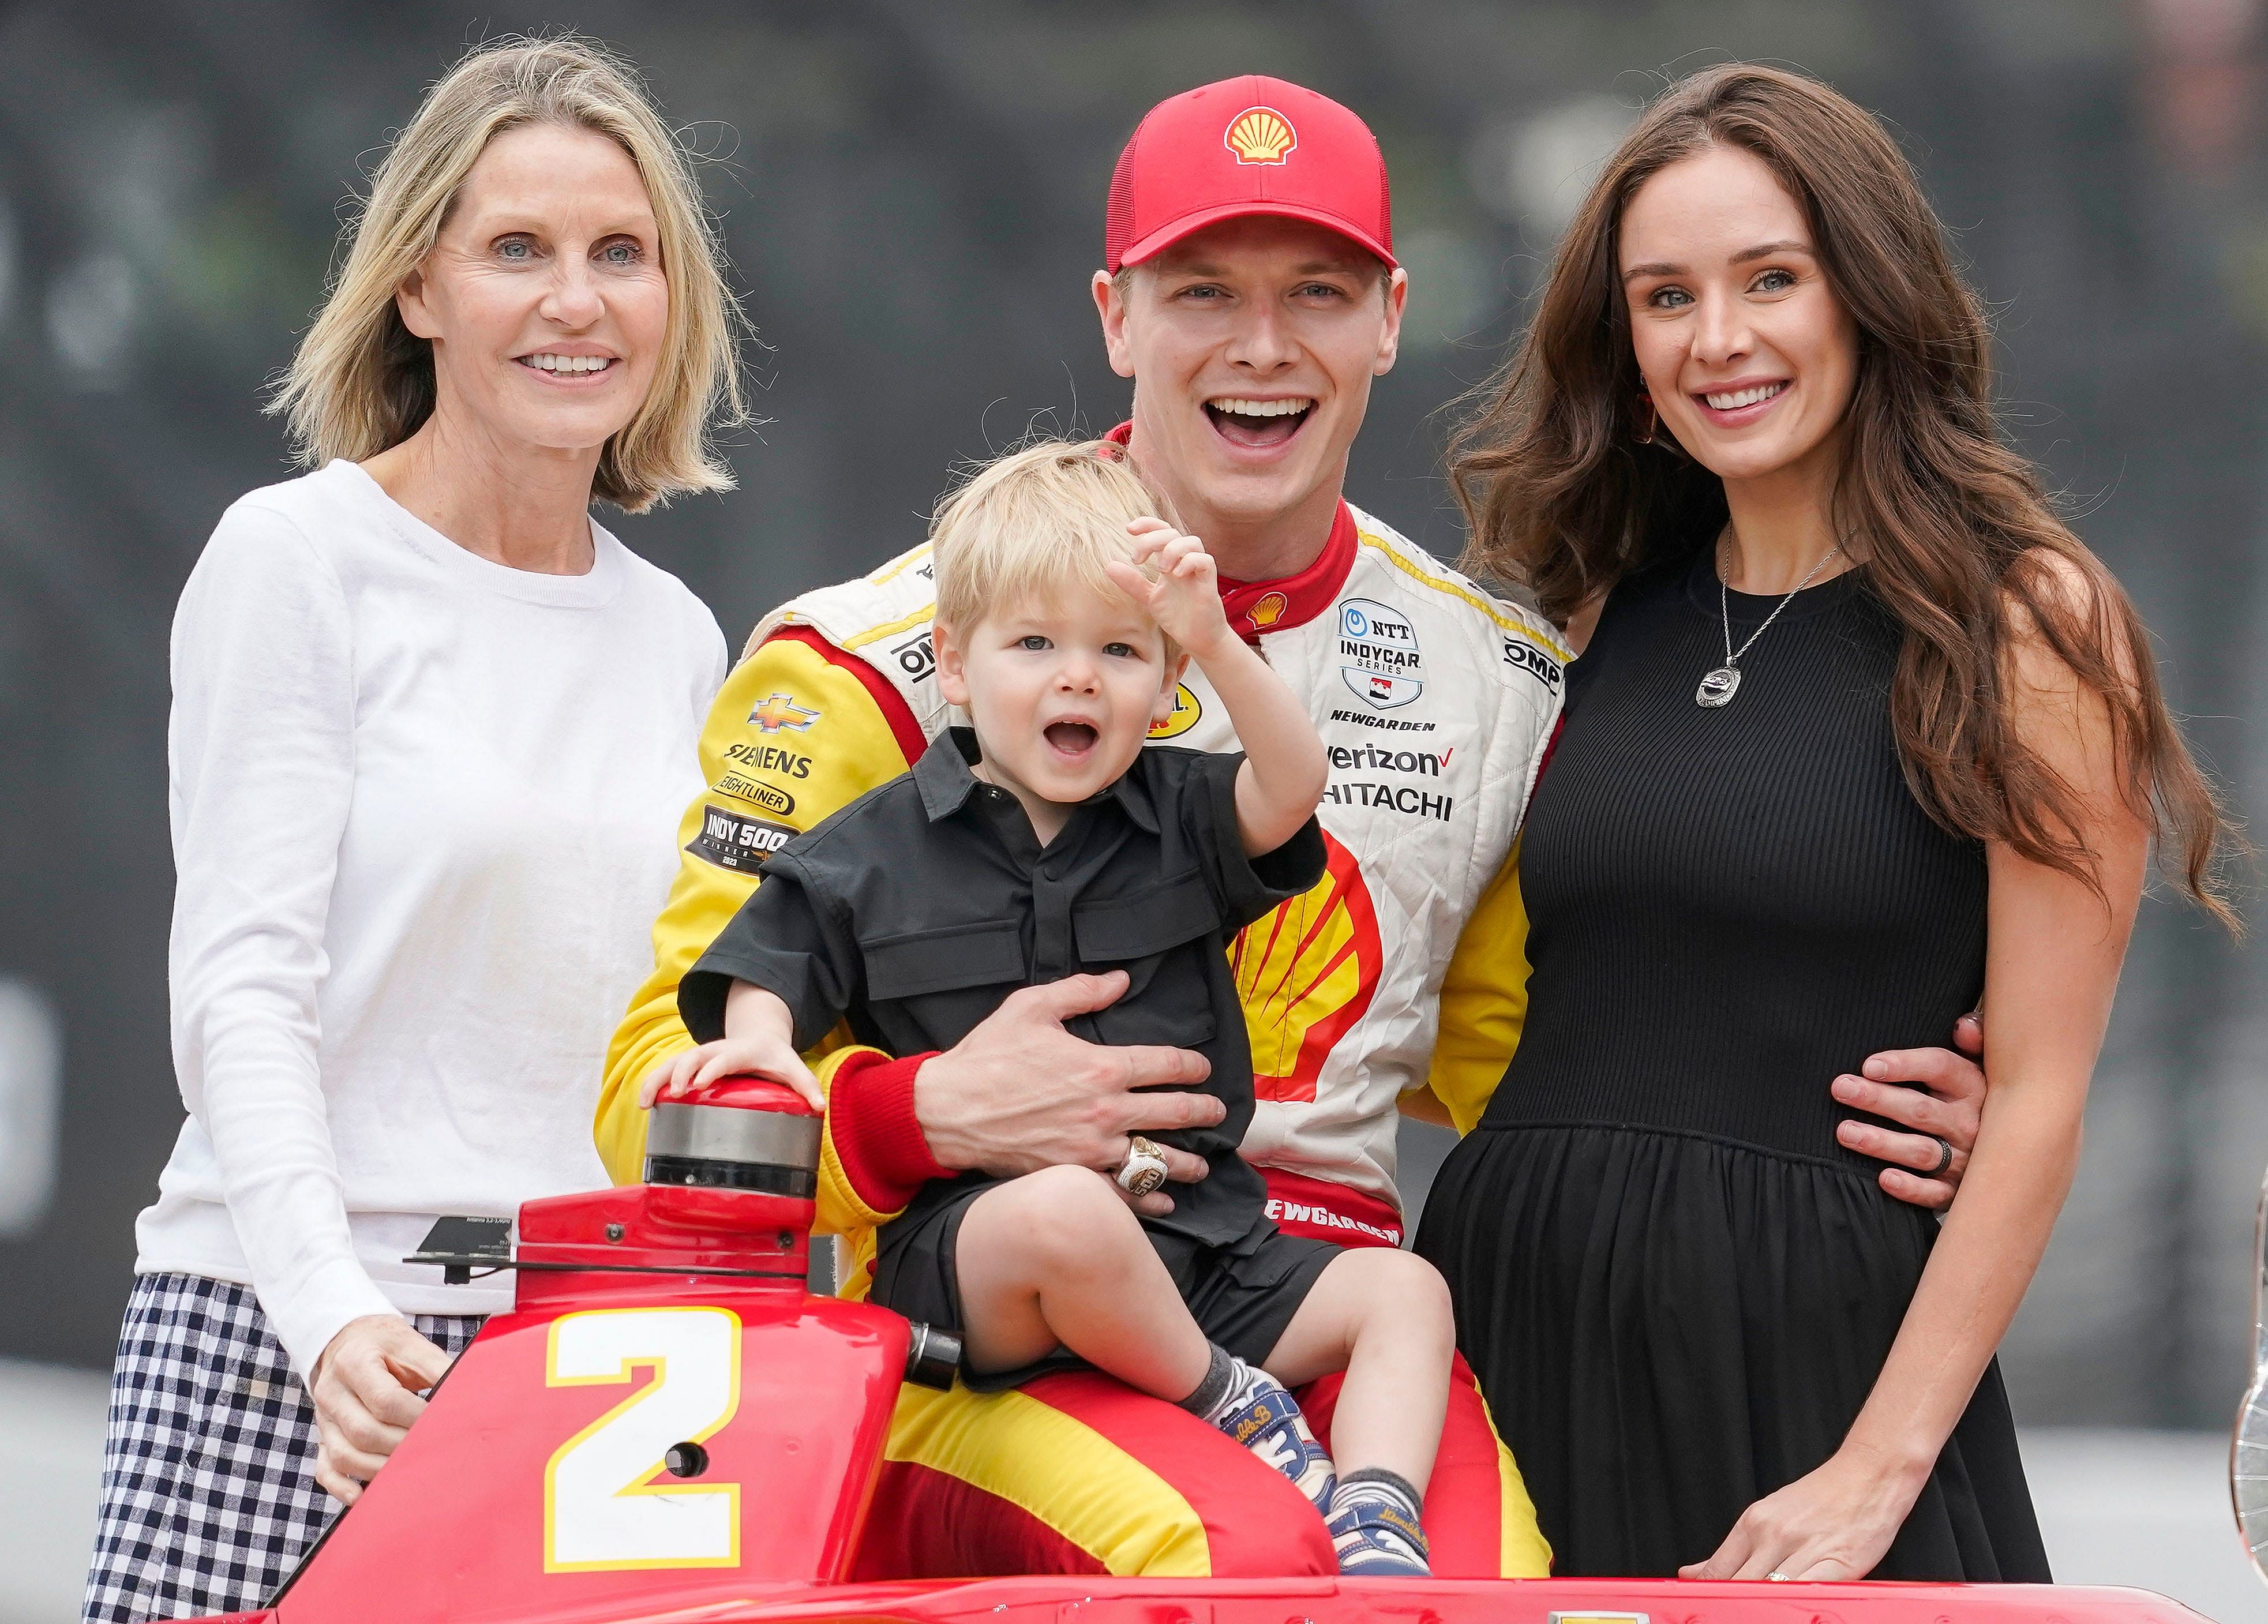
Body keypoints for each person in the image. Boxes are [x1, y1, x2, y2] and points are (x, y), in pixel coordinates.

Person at [594, 75, 1986, 1580]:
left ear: (1388, 318)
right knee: (1239, 1559)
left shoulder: (1496, 678)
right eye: (1203, 292)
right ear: (1116, 316)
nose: (1262, 348)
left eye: (1315, 293)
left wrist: (1854, 1105)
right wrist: (924, 1112)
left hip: (1314, 1296)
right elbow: (642, 1110)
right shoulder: (866, 659)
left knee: (1498, 1602)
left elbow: (1535, 1060)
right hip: (978, 1328)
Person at [1416, 63, 2239, 1583]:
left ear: (1865, 292)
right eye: (1663, 298)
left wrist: (1876, 1466)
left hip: (1814, 1374)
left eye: (1768, 280)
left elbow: (2040, 1099)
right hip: (1507, 1323)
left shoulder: (2031, 623)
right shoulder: (1593, 605)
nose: (1715, 339)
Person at [84, 36, 747, 1622]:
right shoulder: (297, 560)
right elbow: (240, 988)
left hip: (590, 1372)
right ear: (418, 289)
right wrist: (325, 1320)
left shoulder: (681, 641)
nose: (575, 300)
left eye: (620, 254)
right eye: (515, 249)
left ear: (673, 304)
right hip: (286, 1344)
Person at [653, 441, 1455, 1576]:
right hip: (990, 1266)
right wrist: (758, 1042)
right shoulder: (875, 847)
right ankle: (1242, 1410)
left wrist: (1216, 634)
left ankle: (1378, 1517)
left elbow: (1291, 785)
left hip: (1201, 1246)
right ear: (957, 666)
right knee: (1065, 1213)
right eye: (1033, 643)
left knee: (1405, 1292)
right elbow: (775, 951)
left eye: (1120, 650)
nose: (1078, 676)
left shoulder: (1181, 812)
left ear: (1165, 681)